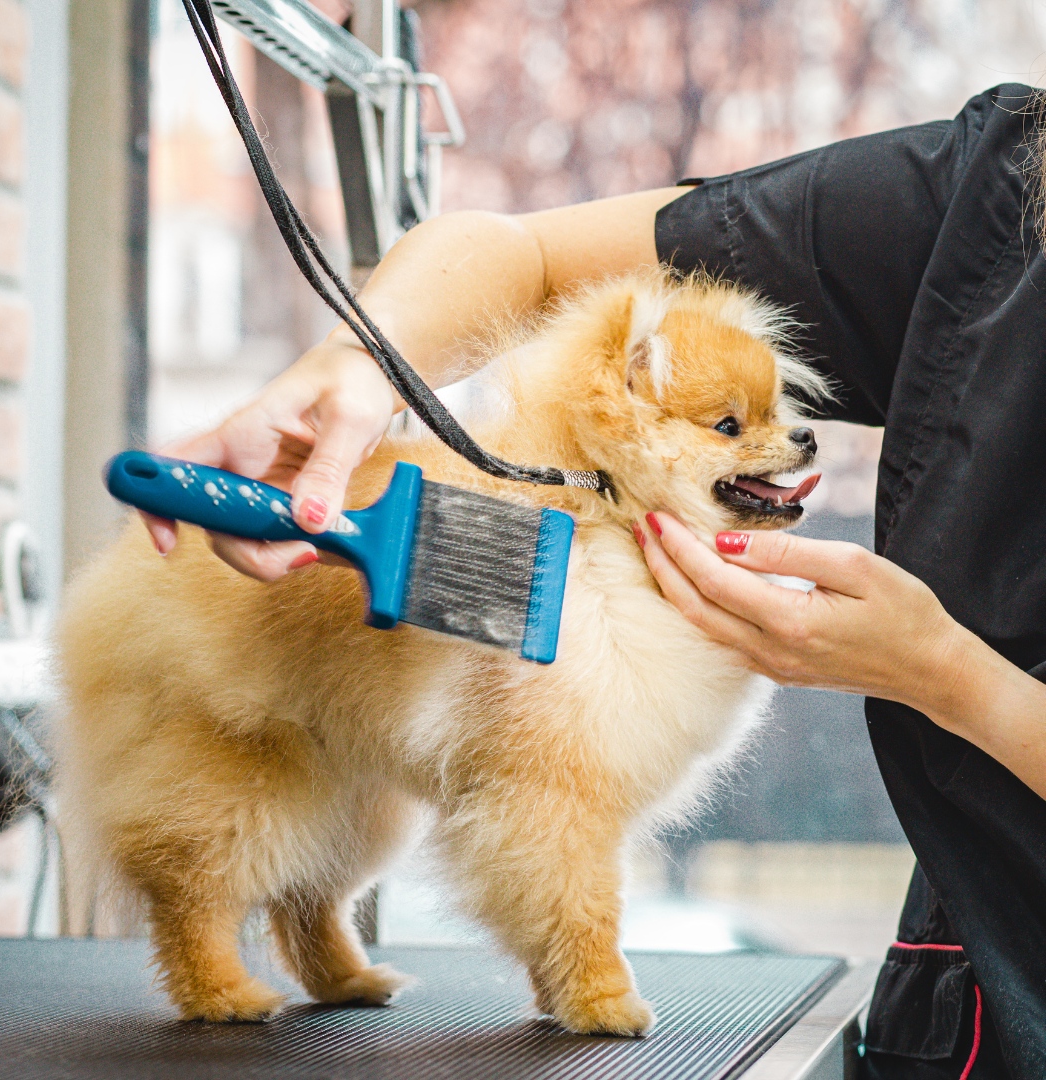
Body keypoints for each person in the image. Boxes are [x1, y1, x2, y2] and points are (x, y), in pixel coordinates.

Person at [144, 83, 1046, 1078]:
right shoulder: (1002, 186)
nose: (786, 441)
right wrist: (354, 367)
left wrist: (948, 675)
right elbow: (521, 258)